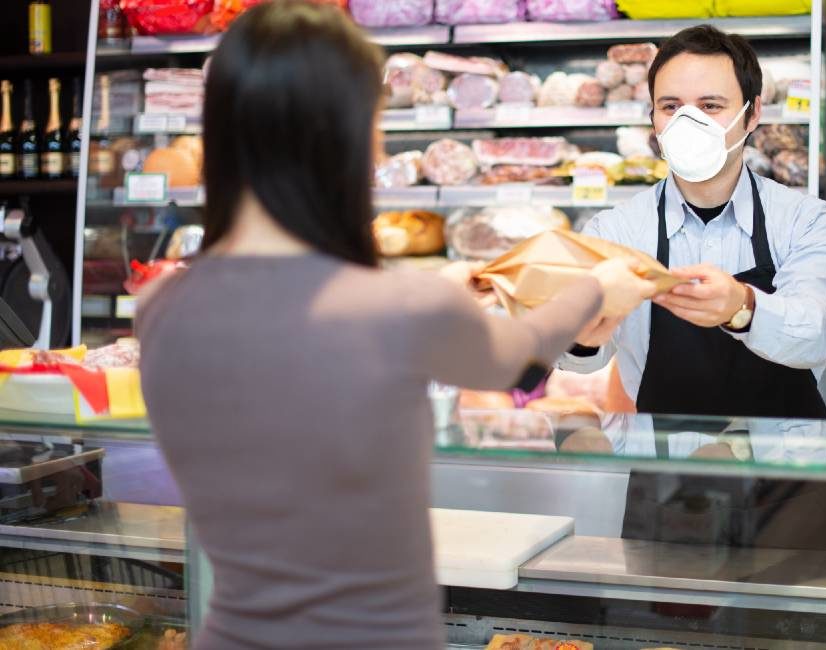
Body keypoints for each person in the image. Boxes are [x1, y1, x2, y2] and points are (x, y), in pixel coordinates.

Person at [135, 3, 654, 649]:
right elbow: (521, 360)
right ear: (340, 137)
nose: (379, 147)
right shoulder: (399, 309)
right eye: (375, 124)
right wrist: (594, 289)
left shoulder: (161, 307)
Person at [558, 25, 826, 551]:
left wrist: (742, 307)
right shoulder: (615, 230)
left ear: (753, 113)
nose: (688, 121)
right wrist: (579, 332)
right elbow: (580, 361)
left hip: (789, 486)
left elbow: (819, 334)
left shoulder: (806, 220)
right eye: (671, 106)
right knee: (666, 632)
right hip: (666, 485)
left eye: (710, 105)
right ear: (652, 116)